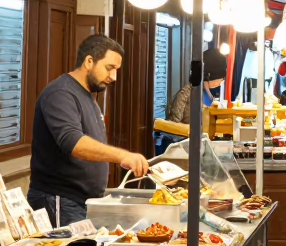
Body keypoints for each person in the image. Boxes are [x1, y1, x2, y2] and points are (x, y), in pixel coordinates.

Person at [27, 34, 150, 226]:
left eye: (117, 70)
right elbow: (73, 142)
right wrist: (122, 156)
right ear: (89, 61)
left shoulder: (89, 96)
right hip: (60, 199)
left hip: (83, 201)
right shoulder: (60, 93)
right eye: (110, 68)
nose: (113, 77)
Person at [166, 47, 228, 124]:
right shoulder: (186, 92)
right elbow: (173, 124)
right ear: (209, 75)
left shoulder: (212, 94)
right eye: (221, 78)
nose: (222, 81)